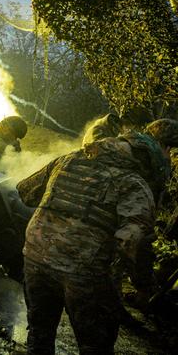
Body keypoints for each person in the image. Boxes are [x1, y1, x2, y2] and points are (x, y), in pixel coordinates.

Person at [16, 118, 178, 355]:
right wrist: (144, 287)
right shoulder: (134, 184)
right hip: (84, 272)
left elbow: (25, 191)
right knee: (96, 346)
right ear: (164, 150)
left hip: (35, 258)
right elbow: (134, 244)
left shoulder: (70, 158)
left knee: (40, 336)